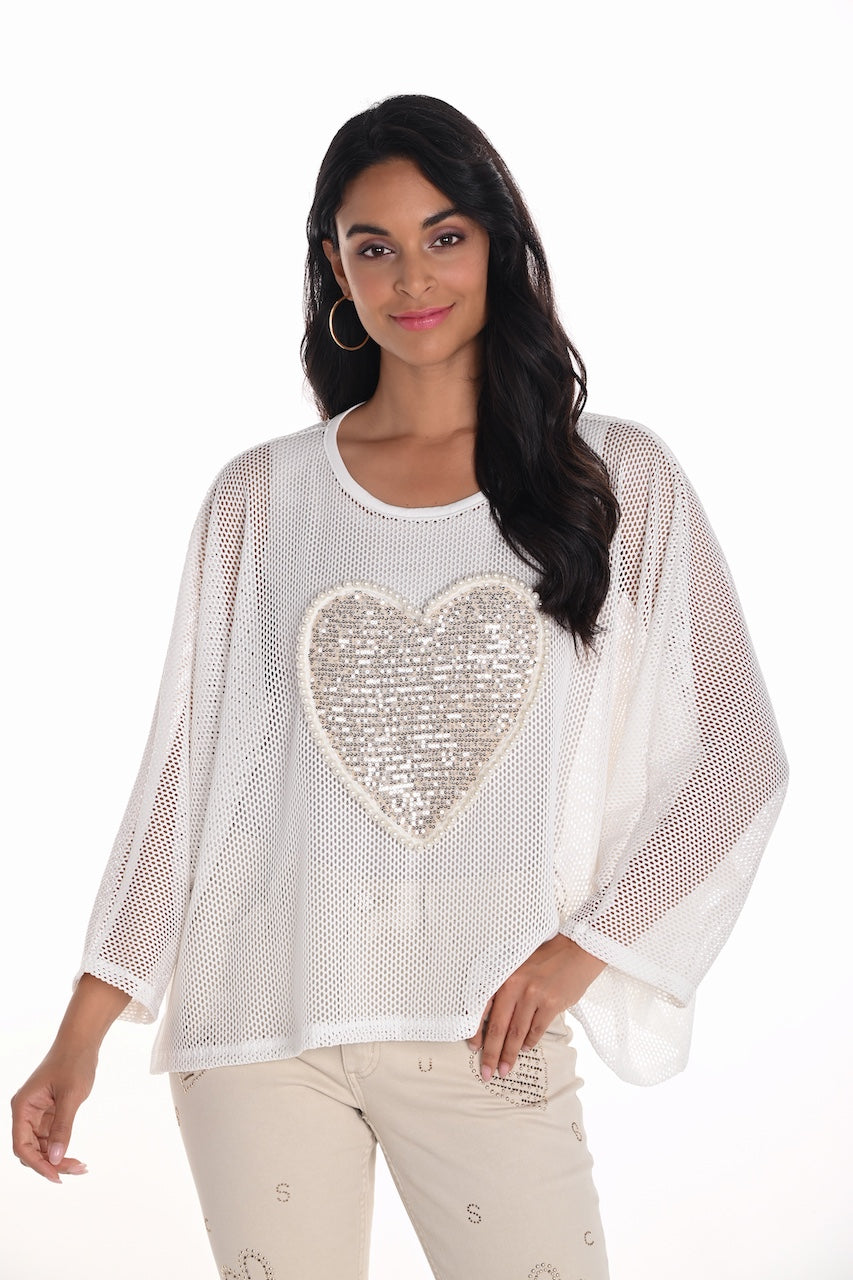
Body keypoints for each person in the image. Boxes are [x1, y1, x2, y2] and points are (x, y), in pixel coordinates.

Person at [11, 94, 788, 1280]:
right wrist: (80, 1030)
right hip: (259, 1025)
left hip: (485, 1027)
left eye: (444, 235)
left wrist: (585, 947)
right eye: (373, 246)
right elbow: (183, 775)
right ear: (334, 267)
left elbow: (738, 755)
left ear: (498, 245)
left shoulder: (613, 479)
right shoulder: (260, 497)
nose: (411, 276)